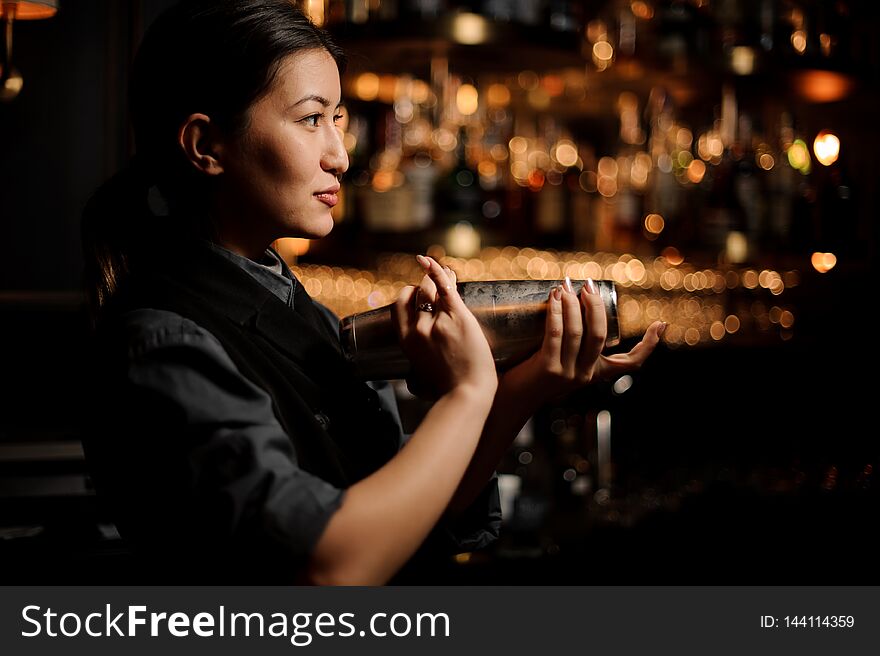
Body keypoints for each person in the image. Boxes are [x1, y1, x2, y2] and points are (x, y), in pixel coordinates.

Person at [80, 0, 665, 585]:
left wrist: (524, 387)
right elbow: (334, 565)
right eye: (311, 119)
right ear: (206, 145)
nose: (340, 154)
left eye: (338, 119)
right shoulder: (163, 344)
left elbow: (409, 523)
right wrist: (466, 392)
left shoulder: (298, 312)